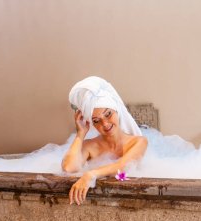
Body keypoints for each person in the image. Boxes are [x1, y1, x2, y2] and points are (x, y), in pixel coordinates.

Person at [62, 76, 148, 205]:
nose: (105, 123)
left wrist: (90, 175)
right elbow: (69, 168)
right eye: (96, 121)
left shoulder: (138, 142)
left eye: (108, 114)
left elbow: (122, 167)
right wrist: (80, 133)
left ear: (117, 111)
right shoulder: (90, 146)